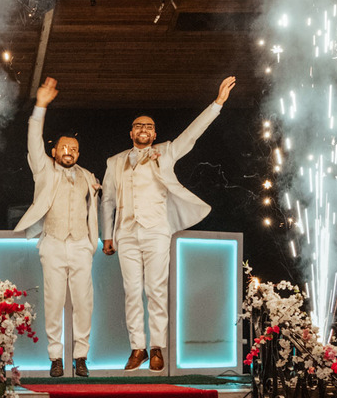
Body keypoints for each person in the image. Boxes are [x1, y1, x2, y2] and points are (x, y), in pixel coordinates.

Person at [100, 76, 236, 372]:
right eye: (139, 125)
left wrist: (217, 104)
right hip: (126, 232)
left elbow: (192, 134)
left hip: (156, 230)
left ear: (154, 133)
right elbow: (107, 200)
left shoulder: (165, 152)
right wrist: (107, 236)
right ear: (131, 132)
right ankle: (137, 348)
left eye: (149, 126)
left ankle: (156, 347)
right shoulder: (114, 162)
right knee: (132, 291)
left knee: (156, 290)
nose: (144, 129)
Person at [14, 77, 101, 378]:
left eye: (74, 148)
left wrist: (93, 242)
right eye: (64, 147)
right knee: (53, 302)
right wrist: (40, 106)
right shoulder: (44, 170)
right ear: (54, 152)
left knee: (84, 303)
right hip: (52, 242)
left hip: (80, 244)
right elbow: (33, 141)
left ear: (78, 153)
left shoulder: (88, 176)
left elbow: (96, 208)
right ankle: (55, 357)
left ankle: (81, 356)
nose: (69, 151)